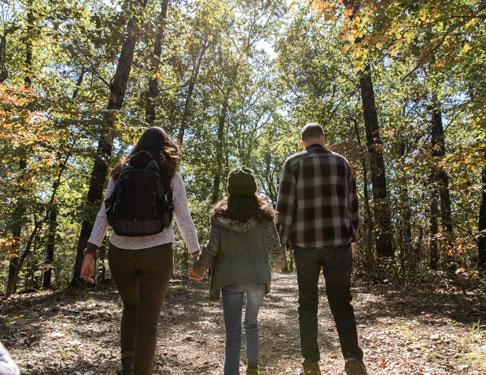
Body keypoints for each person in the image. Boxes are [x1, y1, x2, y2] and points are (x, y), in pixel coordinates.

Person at [80, 127, 201, 375]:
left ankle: (126, 367)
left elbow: (104, 213)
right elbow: (183, 218)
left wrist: (90, 251)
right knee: (147, 323)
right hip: (157, 253)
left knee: (131, 308)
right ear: (165, 146)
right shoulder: (170, 174)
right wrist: (195, 253)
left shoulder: (120, 172)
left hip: (120, 252)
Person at [276, 123, 366, 375]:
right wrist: (353, 239)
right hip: (338, 244)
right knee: (342, 302)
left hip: (305, 247)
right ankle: (352, 357)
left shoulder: (293, 164)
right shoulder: (342, 163)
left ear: (302, 141)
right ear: (323, 138)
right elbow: (353, 206)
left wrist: (279, 248)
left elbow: (284, 210)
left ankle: (311, 362)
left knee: (307, 304)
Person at [188, 167, 286, 375]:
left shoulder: (219, 216)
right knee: (251, 323)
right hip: (257, 277)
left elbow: (211, 247)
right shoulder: (265, 216)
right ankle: (253, 368)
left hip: (229, 277)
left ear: (229, 189)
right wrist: (280, 264)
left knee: (232, 334)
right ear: (253, 188)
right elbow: (275, 247)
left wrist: (198, 269)